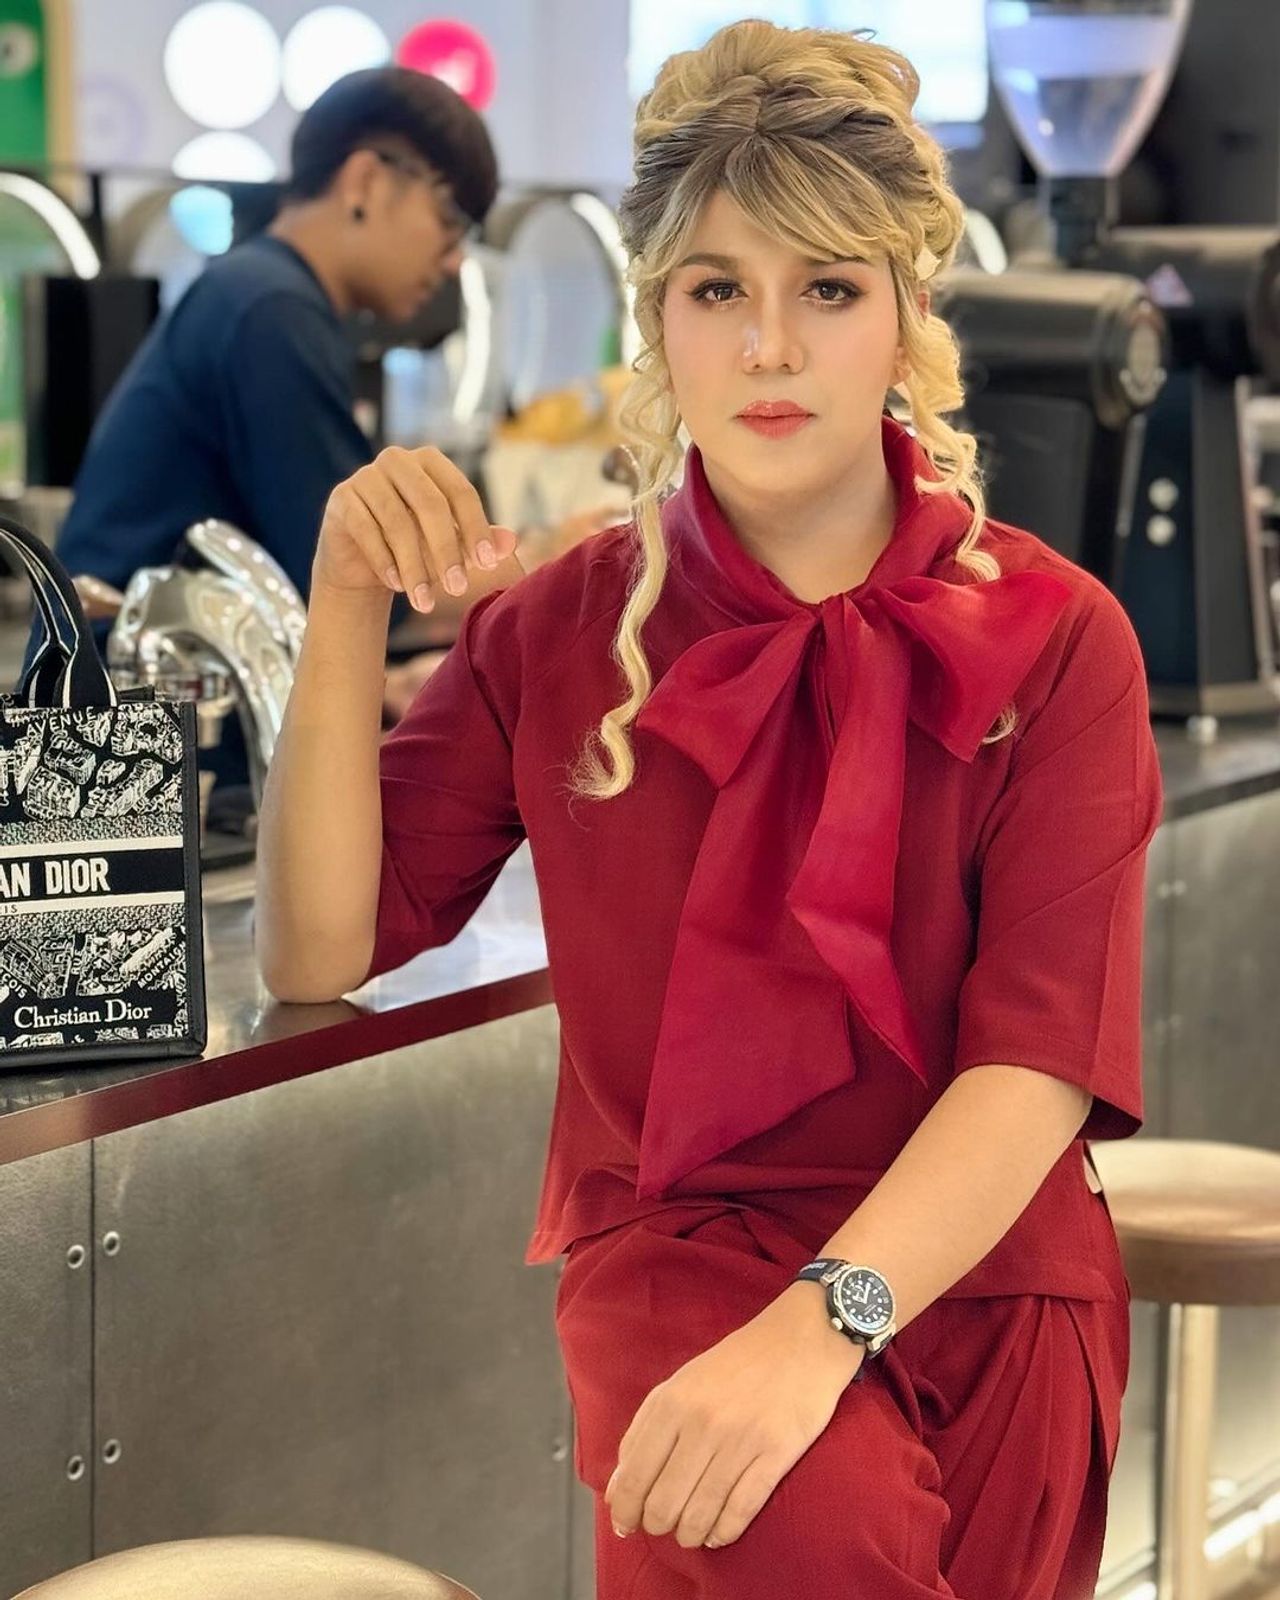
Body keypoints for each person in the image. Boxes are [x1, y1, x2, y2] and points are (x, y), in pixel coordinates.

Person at [256, 21, 1161, 1600]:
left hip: (991, 1268)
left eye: (830, 290)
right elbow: (318, 949)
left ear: (908, 317)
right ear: (657, 320)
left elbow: (1035, 1066)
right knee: (798, 1533)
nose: (770, 347)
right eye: (718, 290)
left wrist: (828, 1320)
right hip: (686, 1261)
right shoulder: (557, 631)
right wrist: (341, 601)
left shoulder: (1060, 636)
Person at [49, 65, 496, 612]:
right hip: (131, 661)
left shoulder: (261, 291)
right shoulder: (271, 310)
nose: (455, 261)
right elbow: (371, 583)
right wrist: (547, 568)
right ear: (366, 183)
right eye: (451, 221)